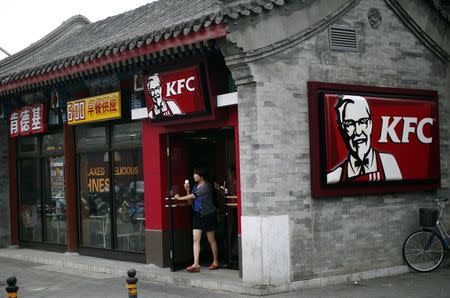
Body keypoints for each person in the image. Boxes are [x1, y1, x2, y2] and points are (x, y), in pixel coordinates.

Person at [327, 95, 402, 184]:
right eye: (350, 123)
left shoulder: (388, 163)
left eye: (363, 121)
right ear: (341, 129)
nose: (358, 132)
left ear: (370, 124)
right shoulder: (334, 176)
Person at [174, 168, 219, 272]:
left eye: (196, 174)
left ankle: (215, 261)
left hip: (208, 215)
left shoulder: (206, 186)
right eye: (194, 174)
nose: (194, 176)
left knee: (211, 240)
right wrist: (187, 190)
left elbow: (195, 195)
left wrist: (180, 198)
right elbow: (190, 202)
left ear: (201, 176)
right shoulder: (194, 187)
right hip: (197, 215)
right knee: (196, 239)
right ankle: (196, 264)